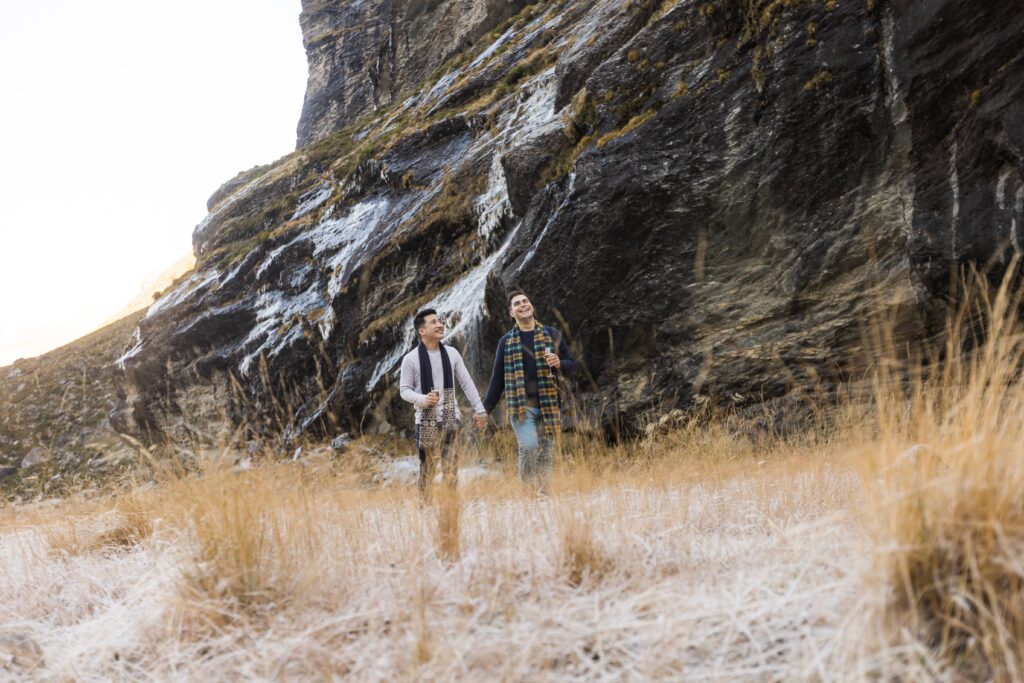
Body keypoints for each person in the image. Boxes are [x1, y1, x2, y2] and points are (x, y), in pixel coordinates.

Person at [483, 290, 577, 493]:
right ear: (511, 312)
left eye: (526, 301)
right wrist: (486, 408)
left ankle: (543, 494)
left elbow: (572, 365)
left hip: (550, 404)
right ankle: (528, 492)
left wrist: (560, 362)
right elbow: (497, 378)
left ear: (532, 306)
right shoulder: (506, 342)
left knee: (546, 453)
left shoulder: (552, 334)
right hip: (521, 407)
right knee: (529, 447)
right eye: (517, 303)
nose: (523, 304)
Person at [399, 308, 487, 499]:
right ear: (422, 331)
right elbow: (404, 390)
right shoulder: (410, 359)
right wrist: (422, 399)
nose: (440, 324)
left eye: (440, 321)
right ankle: (425, 507)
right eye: (433, 322)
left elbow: (466, 382)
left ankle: (450, 507)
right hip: (425, 419)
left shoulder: (452, 353)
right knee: (428, 467)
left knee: (451, 467)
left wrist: (480, 410)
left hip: (450, 416)